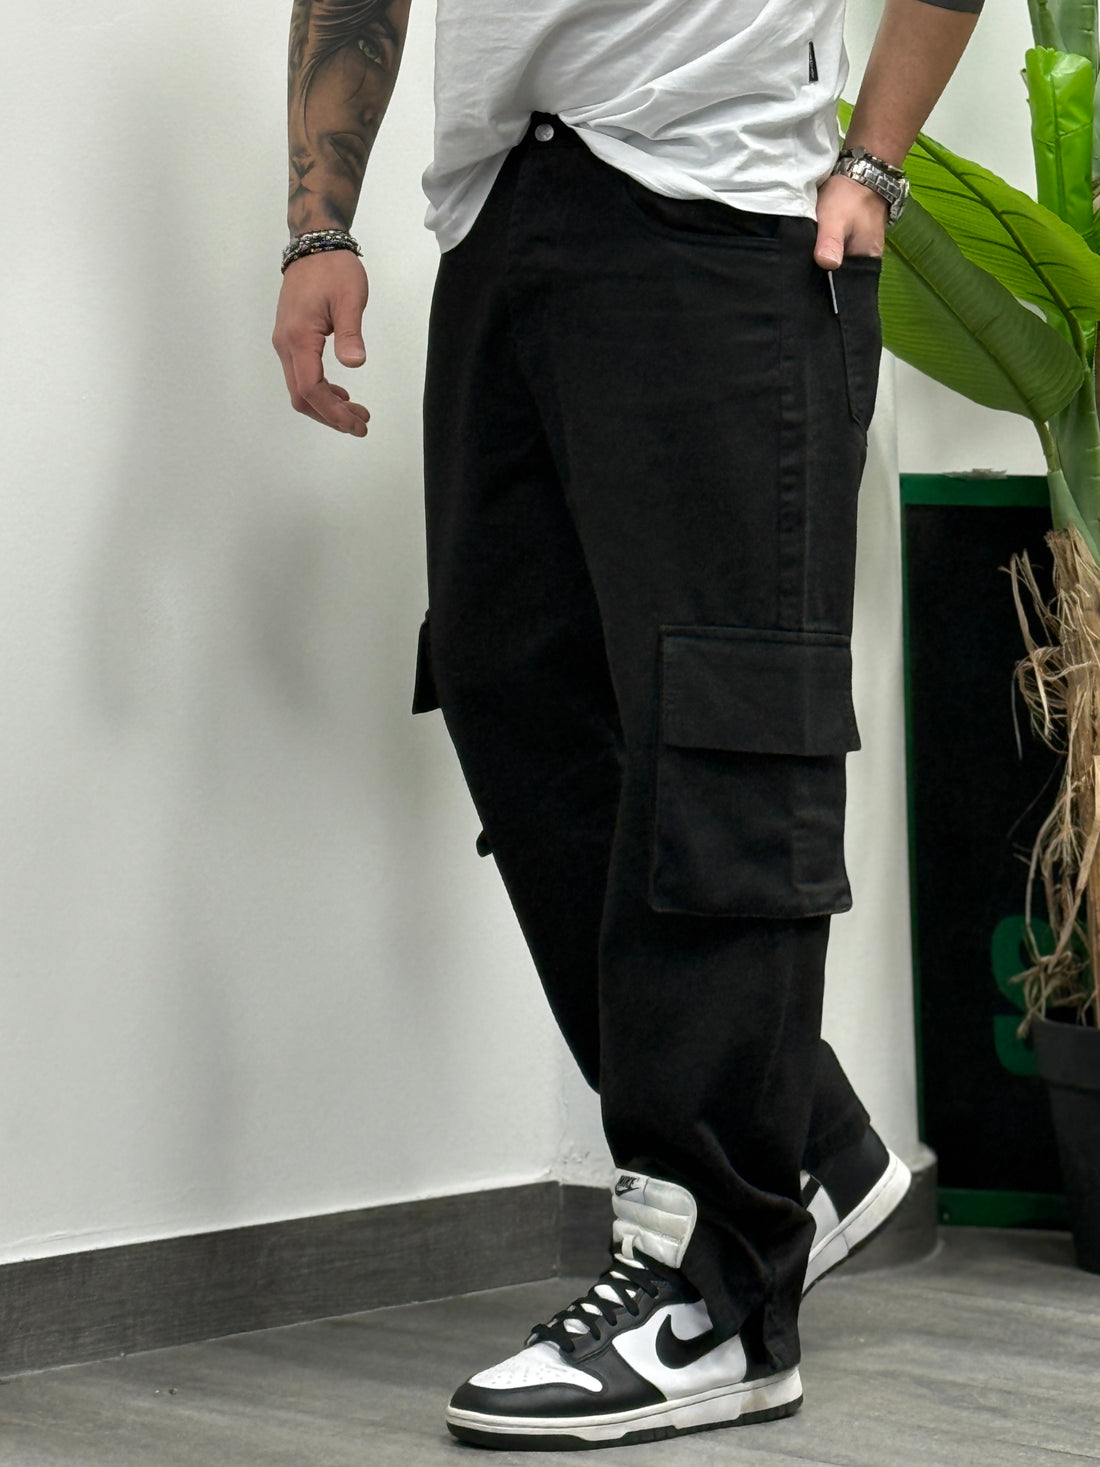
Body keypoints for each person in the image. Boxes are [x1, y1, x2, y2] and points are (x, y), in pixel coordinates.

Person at [273, 0, 982, 1450]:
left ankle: (718, 1294)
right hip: (500, 207)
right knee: (507, 686)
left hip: (724, 206)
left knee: (726, 731)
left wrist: (876, 162)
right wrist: (316, 226)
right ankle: (807, 1151)